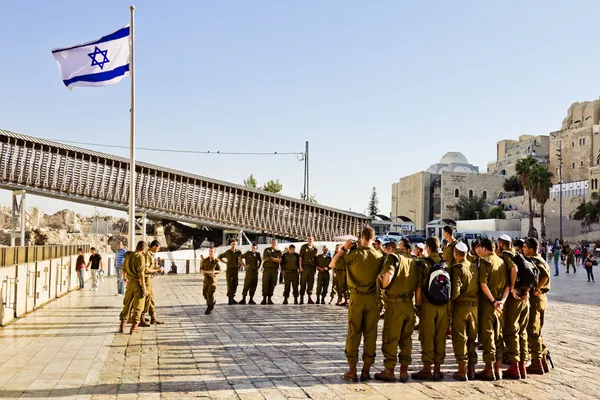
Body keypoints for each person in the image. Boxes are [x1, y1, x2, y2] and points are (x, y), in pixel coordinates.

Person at [330, 226, 383, 382]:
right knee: (370, 334)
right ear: (373, 239)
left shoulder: (353, 255)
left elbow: (333, 264)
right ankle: (366, 371)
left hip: (357, 298)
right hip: (373, 300)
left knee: (354, 333)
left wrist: (343, 249)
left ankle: (352, 371)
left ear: (361, 237)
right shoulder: (380, 256)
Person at [374, 241, 421, 383]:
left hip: (395, 305)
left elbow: (387, 276)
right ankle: (404, 372)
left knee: (391, 338)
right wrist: (417, 306)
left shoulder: (394, 258)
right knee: (406, 339)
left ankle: (389, 370)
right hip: (409, 305)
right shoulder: (414, 261)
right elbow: (418, 288)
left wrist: (383, 287)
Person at [412, 236, 449, 382]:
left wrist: (417, 304)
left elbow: (419, 287)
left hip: (428, 305)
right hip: (443, 305)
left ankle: (427, 368)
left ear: (427, 247)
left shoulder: (423, 263)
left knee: (427, 336)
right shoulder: (447, 264)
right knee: (440, 337)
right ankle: (438, 370)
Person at [476, 238, 509, 381]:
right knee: (498, 336)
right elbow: (508, 285)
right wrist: (501, 301)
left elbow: (483, 284)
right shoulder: (501, 261)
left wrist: (493, 301)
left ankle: (489, 369)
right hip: (500, 306)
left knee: (488, 335)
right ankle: (498, 368)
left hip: (488, 304)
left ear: (484, 248)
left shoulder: (484, 261)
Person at [499, 235, 530, 380]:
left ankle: (514, 366)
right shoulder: (518, 254)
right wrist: (527, 291)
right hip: (524, 297)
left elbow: (514, 269)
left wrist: (511, 288)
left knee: (511, 331)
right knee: (522, 332)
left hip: (514, 299)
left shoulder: (506, 255)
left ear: (500, 244)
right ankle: (523, 366)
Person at [449, 241, 479, 381]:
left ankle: (462, 370)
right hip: (474, 308)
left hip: (461, 307)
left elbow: (455, 292)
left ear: (455, 253)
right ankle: (472, 369)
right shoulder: (474, 267)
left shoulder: (457, 268)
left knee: (460, 338)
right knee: (472, 339)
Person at [523, 237, 551, 375]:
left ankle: (537, 362)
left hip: (536, 299)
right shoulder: (542, 259)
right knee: (538, 330)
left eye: (525, 248)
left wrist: (536, 288)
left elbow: (544, 276)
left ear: (531, 249)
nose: (523, 250)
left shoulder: (534, 261)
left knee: (532, 331)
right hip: (542, 299)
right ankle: (543, 360)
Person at [118, 241, 148, 334]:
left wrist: (125, 279)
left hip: (129, 283)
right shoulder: (141, 257)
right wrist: (144, 288)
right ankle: (133, 328)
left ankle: (122, 327)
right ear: (143, 249)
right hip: (137, 283)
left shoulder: (128, 255)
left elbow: (123, 268)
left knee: (127, 304)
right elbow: (141, 274)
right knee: (139, 305)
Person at [139, 240, 165, 326]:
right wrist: (157, 270)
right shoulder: (147, 255)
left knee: (151, 299)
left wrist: (156, 267)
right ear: (154, 246)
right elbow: (146, 269)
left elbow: (150, 267)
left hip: (149, 279)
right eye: (158, 248)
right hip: (146, 280)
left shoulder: (151, 255)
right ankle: (141, 318)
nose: (158, 250)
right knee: (147, 299)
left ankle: (153, 318)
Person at [218, 240, 243, 305]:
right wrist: (225, 262)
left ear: (236, 245)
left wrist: (239, 266)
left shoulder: (239, 252)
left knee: (235, 284)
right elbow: (219, 257)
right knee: (229, 284)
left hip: (235, 270)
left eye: (235, 244)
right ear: (230, 244)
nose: (233, 245)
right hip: (229, 270)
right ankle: (230, 299)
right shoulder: (227, 252)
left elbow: (241, 260)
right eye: (232, 244)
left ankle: (232, 298)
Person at [201, 247, 221, 314]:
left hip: (212, 280)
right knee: (204, 294)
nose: (210, 252)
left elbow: (220, 271)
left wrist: (214, 272)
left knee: (210, 294)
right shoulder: (205, 260)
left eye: (212, 251)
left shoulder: (216, 261)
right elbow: (201, 270)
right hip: (206, 279)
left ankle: (209, 308)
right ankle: (211, 302)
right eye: (210, 251)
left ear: (214, 252)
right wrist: (208, 272)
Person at [261, 239, 282, 305]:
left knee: (273, 283)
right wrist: (274, 259)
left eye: (275, 242)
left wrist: (271, 258)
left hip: (274, 270)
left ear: (277, 243)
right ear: (271, 243)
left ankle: (269, 298)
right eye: (273, 242)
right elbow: (265, 258)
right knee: (265, 283)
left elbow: (279, 260)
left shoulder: (278, 252)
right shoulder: (266, 250)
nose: (274, 243)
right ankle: (264, 298)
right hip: (267, 269)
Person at [299, 235, 318, 304]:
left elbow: (316, 259)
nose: (310, 240)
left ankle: (309, 298)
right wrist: (300, 267)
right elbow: (300, 257)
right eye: (309, 239)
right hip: (305, 267)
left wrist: (315, 268)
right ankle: (301, 298)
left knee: (311, 283)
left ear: (313, 240)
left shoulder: (315, 248)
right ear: (307, 240)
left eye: (311, 239)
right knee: (303, 283)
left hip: (312, 268)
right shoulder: (304, 247)